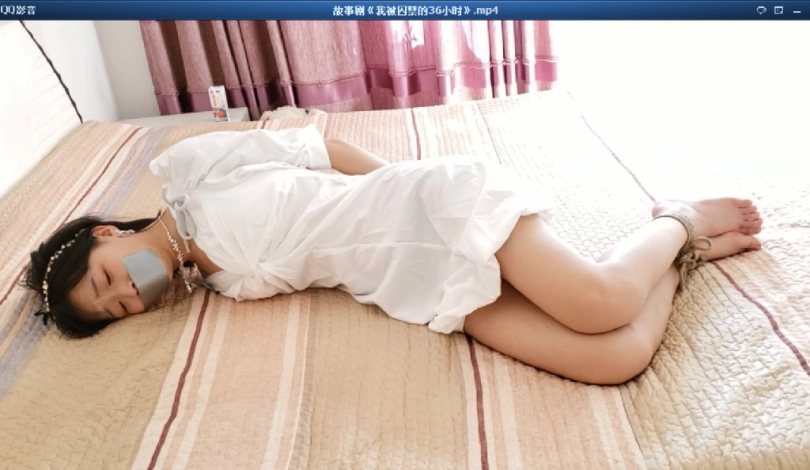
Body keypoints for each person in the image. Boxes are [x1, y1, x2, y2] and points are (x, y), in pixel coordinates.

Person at [23, 126, 763, 385]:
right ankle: (684, 257)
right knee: (613, 358)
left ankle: (679, 219)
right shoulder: (218, 286)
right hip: (409, 282)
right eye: (118, 309)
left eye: (108, 279)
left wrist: (418, 189)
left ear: (106, 235)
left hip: (428, 208)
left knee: (598, 304)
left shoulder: (191, 172)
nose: (131, 295)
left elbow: (320, 147)